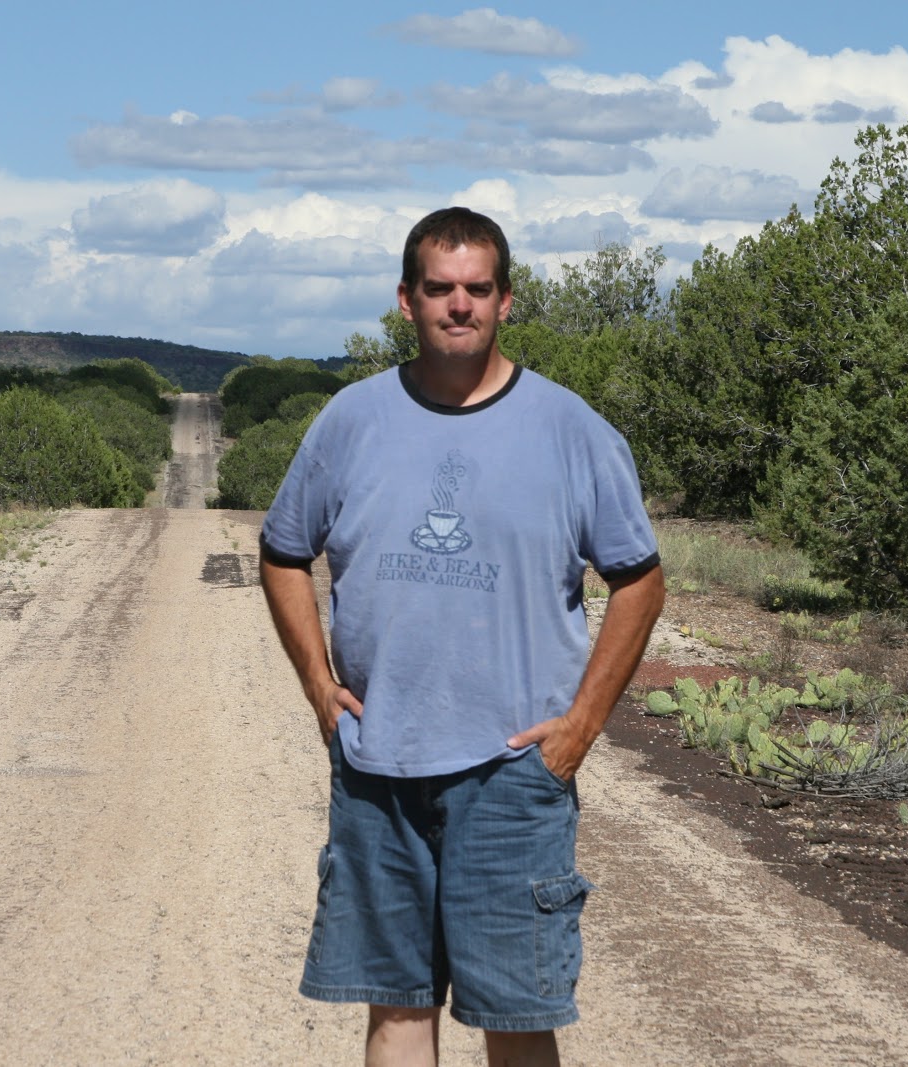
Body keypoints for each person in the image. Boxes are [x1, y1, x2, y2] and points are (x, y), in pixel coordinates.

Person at [259, 207, 664, 1067]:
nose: (458, 305)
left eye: (477, 289)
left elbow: (640, 579)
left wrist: (580, 728)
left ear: (506, 301)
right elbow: (284, 551)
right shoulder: (351, 419)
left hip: (514, 773)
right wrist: (317, 685)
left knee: (516, 1014)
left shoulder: (570, 429)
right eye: (438, 289)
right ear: (405, 301)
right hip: (378, 764)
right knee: (397, 1010)